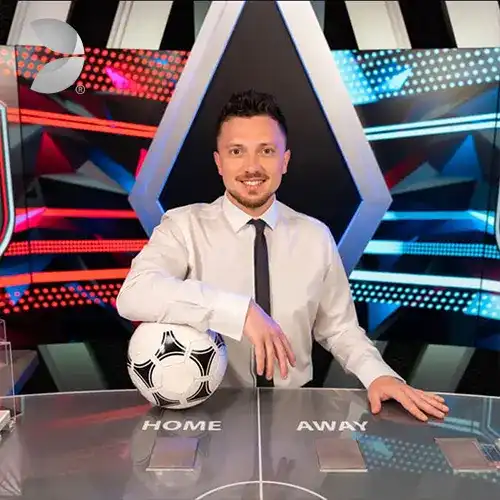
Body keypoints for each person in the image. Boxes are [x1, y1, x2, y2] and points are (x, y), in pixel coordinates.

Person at [117, 89, 449, 422]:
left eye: (266, 151)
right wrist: (240, 311)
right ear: (219, 162)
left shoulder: (315, 236)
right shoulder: (182, 226)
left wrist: (379, 375)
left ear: (284, 161)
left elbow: (339, 329)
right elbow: (134, 294)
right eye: (236, 151)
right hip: (210, 418)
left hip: (296, 415)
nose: (252, 167)